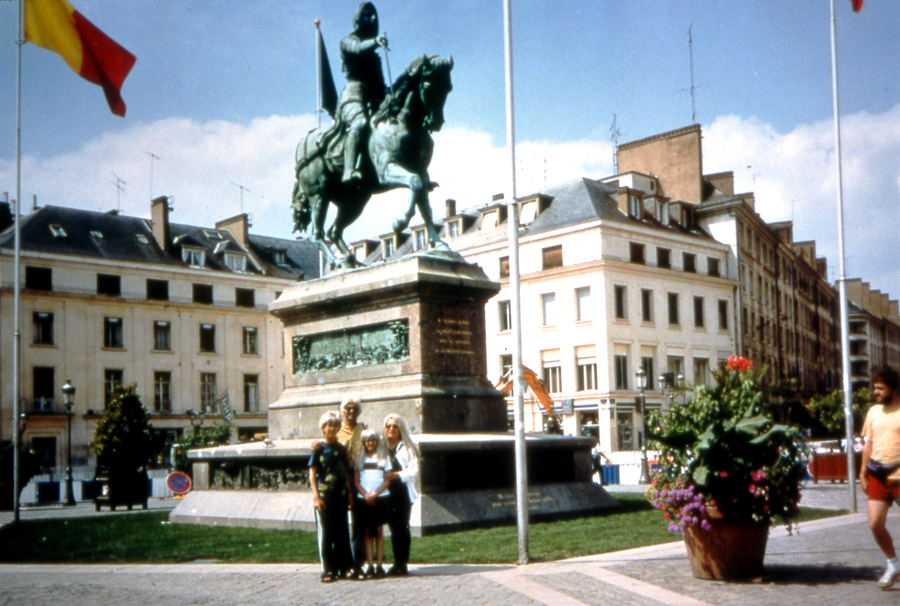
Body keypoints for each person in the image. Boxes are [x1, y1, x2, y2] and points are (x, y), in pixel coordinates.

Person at [338, 1, 389, 183]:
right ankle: (348, 170)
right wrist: (375, 42)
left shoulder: (375, 59)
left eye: (374, 15)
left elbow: (381, 85)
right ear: (359, 19)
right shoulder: (347, 42)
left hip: (374, 98)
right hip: (353, 95)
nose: (373, 18)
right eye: (368, 14)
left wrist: (390, 93)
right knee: (359, 123)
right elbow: (358, 49)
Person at [860, 367, 900, 589]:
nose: (875, 391)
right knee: (875, 523)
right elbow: (868, 444)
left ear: (893, 390)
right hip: (877, 474)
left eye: (880, 388)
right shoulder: (874, 412)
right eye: (874, 387)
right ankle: (894, 565)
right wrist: (862, 472)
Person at [309, 411, 355, 583]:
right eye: (330, 425)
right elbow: (312, 473)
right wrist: (316, 496)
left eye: (336, 425)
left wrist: (349, 492)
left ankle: (346, 567)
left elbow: (345, 472)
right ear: (323, 428)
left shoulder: (342, 449)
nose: (334, 428)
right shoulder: (318, 448)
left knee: (342, 532)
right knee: (327, 534)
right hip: (324, 497)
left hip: (341, 496)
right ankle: (328, 569)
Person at [381, 413, 419, 576]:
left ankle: (401, 563)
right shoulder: (382, 448)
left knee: (402, 527)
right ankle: (396, 562)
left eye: (395, 426)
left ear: (400, 428)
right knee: (393, 527)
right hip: (386, 493)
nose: (391, 429)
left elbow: (414, 470)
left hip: (402, 492)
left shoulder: (407, 448)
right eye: (388, 426)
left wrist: (397, 475)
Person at [353, 429, 391, 578]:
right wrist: (366, 495)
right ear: (364, 442)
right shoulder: (359, 458)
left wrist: (376, 494)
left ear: (377, 441)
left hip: (381, 498)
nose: (370, 443)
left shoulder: (383, 458)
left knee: (379, 531)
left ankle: (380, 565)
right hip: (365, 499)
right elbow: (356, 481)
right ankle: (370, 566)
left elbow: (387, 480)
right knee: (368, 532)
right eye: (368, 440)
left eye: (373, 440)